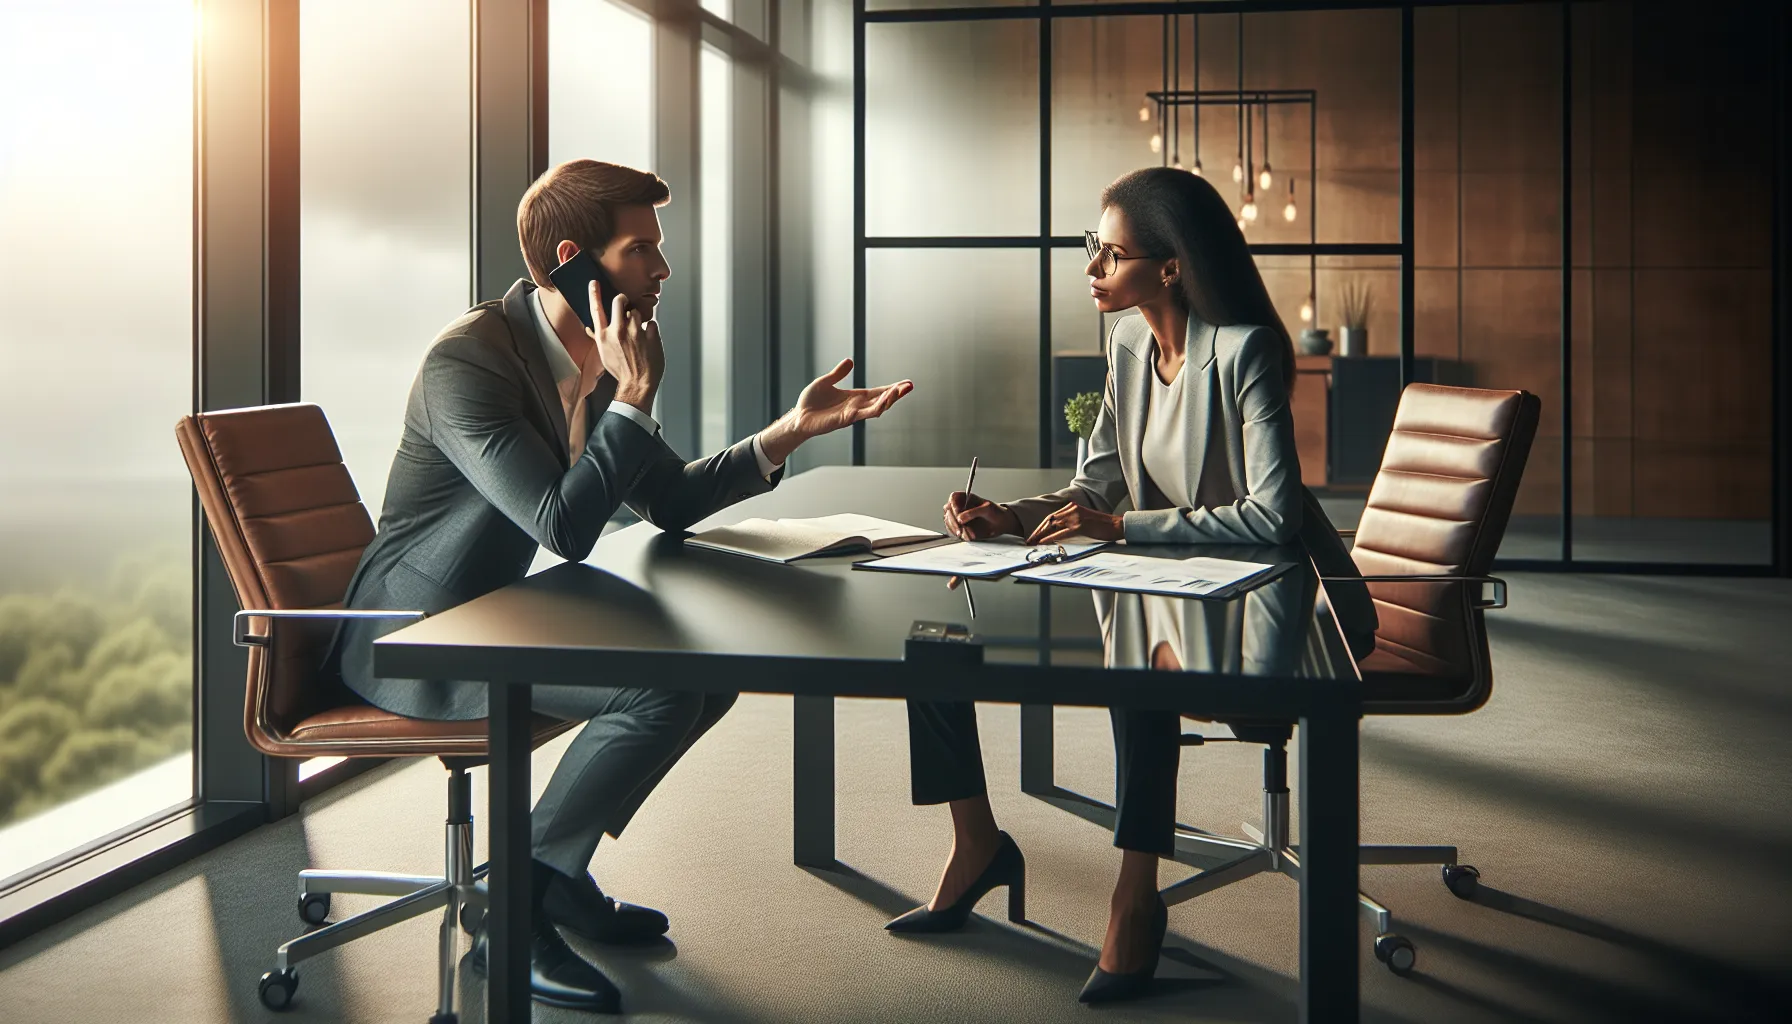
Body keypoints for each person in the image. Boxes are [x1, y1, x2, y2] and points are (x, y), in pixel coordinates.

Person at [324, 159, 913, 1014]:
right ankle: (515, 910)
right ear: (574, 260)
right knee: (657, 688)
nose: (663, 271)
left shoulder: (586, 359)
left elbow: (668, 501)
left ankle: (554, 874)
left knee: (707, 672)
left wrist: (790, 431)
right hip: (417, 637)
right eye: (643, 251)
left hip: (497, 616)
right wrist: (632, 395)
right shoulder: (471, 363)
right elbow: (562, 527)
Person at [888, 166, 1373, 1005]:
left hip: (1261, 605)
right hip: (1151, 582)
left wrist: (1121, 531)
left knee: (1137, 668)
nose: (1092, 269)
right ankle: (976, 841)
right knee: (937, 646)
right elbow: (1097, 485)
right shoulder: (1124, 346)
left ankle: (1134, 894)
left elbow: (1272, 514)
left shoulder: (1245, 351)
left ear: (1173, 266)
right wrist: (1011, 516)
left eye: (1110, 254)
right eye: (1092, 249)